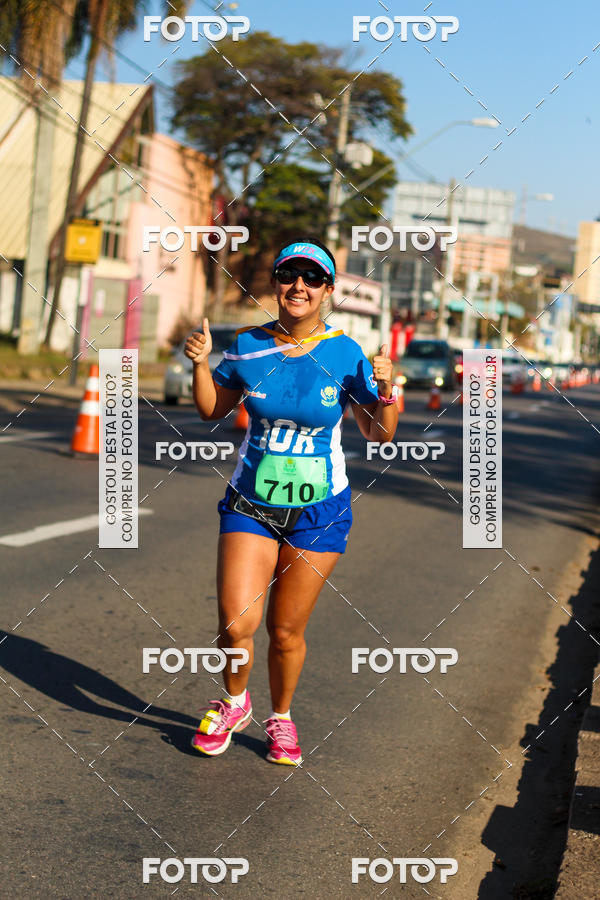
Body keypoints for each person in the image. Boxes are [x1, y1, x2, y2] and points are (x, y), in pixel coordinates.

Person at [184, 238, 398, 765]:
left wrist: (389, 392)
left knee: (285, 631)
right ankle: (235, 703)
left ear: (328, 290)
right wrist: (200, 362)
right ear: (276, 283)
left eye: (312, 278)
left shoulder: (346, 353)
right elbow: (212, 410)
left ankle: (281, 718)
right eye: (288, 275)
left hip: (319, 510)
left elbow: (379, 435)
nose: (298, 287)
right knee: (237, 625)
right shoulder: (247, 344)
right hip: (250, 502)